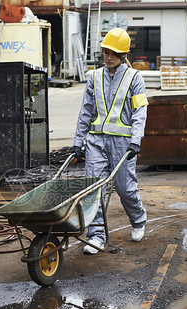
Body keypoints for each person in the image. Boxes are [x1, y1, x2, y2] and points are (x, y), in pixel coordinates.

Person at [72, 28, 148, 255]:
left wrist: (136, 140)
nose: (108, 56)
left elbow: (140, 111)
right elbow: (85, 112)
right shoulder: (94, 78)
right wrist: (78, 141)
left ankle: (138, 220)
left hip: (123, 144)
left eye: (114, 53)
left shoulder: (135, 78)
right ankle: (96, 236)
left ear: (123, 54)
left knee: (125, 189)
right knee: (93, 189)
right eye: (106, 51)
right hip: (96, 142)